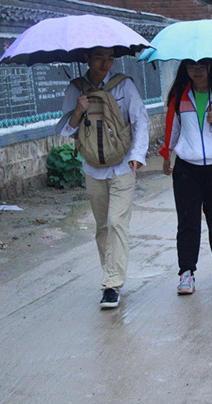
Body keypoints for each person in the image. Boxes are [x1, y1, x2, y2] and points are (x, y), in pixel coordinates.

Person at [56, 46, 150, 308]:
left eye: (110, 58)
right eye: (99, 57)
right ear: (87, 58)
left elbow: (140, 120)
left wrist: (137, 155)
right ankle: (110, 272)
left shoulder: (124, 85)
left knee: (116, 222)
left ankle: (111, 284)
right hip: (92, 168)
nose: (105, 64)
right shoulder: (76, 88)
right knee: (102, 227)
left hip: (123, 166)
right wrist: (78, 110)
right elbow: (65, 130)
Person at [159, 58, 212, 295]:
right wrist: (167, 154)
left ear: (209, 68)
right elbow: (172, 128)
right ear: (185, 69)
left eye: (201, 66)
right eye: (191, 67)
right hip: (187, 169)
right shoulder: (179, 96)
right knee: (188, 221)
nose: (196, 71)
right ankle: (186, 272)